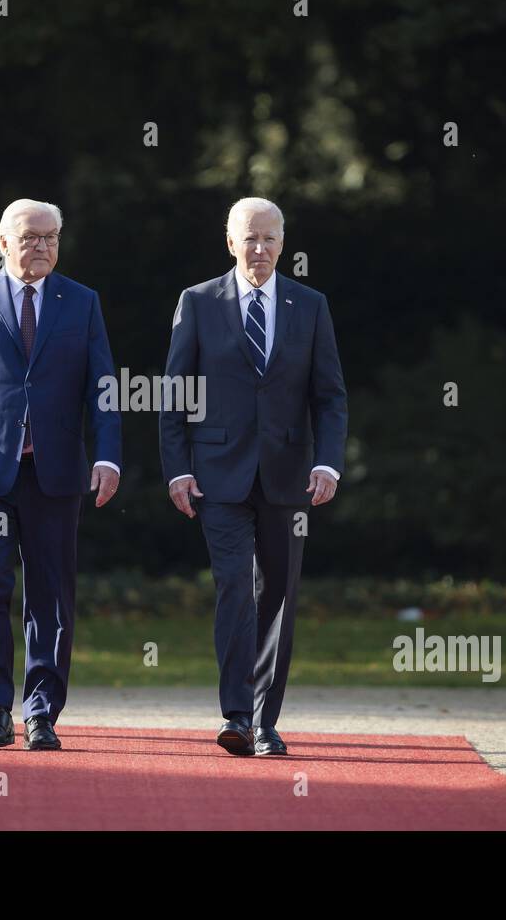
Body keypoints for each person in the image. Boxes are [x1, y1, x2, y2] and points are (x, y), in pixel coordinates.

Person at [0, 199, 121, 750]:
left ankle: (41, 712)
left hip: (57, 475)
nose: (42, 245)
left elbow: (103, 389)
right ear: (4, 241)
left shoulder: (81, 303)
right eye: (30, 236)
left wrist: (108, 456)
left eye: (51, 236)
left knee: (51, 595)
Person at [159, 197, 348, 756]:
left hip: (290, 478)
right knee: (236, 587)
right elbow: (174, 395)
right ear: (229, 241)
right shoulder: (197, 302)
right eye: (249, 238)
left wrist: (327, 461)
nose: (259, 248)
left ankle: (266, 720)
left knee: (280, 596)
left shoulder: (310, 305)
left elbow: (330, 395)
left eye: (269, 238)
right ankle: (236, 715)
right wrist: (177, 469)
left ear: (283, 243)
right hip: (217, 477)